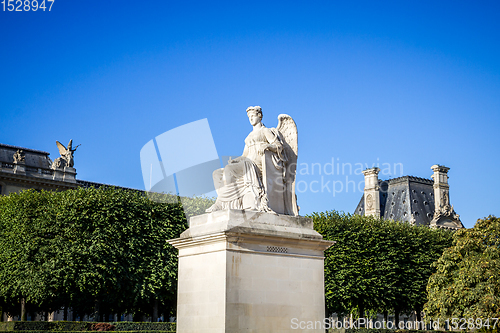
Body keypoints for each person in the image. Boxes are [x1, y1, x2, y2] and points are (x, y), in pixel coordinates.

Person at [206, 106, 286, 212]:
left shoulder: (265, 131)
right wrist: (235, 160)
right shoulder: (249, 136)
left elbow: (279, 146)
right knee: (217, 174)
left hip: (256, 166)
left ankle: (221, 203)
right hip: (246, 163)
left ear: (260, 116)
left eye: (253, 116)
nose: (251, 119)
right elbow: (244, 155)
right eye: (249, 117)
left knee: (229, 169)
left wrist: (268, 146)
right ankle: (228, 202)